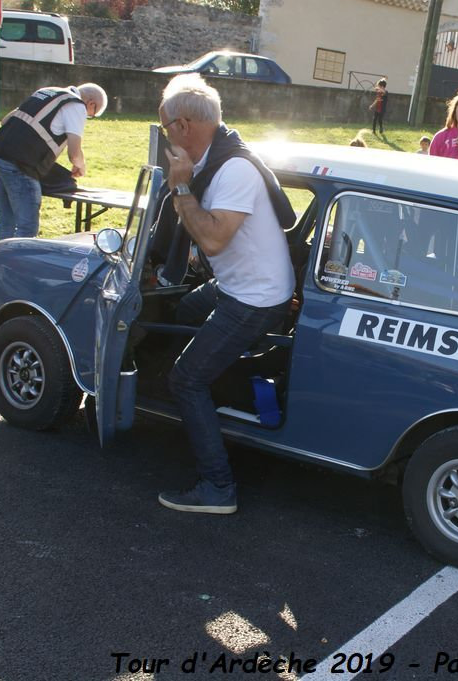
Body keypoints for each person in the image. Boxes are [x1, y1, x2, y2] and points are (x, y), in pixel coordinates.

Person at [157, 73, 295, 514]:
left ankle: (218, 487)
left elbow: (214, 239)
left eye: (164, 130)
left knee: (186, 378)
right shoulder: (217, 160)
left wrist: (179, 186)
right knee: (180, 310)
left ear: (182, 127)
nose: (165, 139)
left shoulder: (233, 168)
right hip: (237, 285)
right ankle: (192, 408)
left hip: (255, 298)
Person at [0, 82, 108, 240]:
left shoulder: (46, 91)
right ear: (91, 104)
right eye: (92, 115)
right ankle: (19, 264)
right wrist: (80, 166)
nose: (88, 116)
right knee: (27, 228)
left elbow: (6, 120)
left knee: (6, 224)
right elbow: (74, 152)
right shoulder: (76, 105)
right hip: (21, 165)